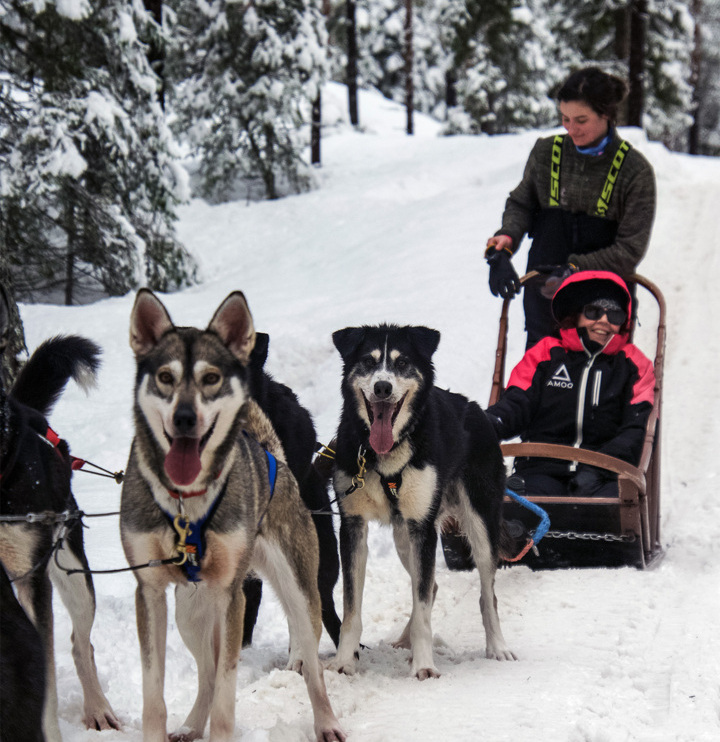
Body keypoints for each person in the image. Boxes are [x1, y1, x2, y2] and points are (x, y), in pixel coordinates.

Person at [485, 270, 655, 567]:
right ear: (577, 314)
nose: (603, 320)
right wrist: (486, 425)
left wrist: (598, 467)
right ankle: (509, 540)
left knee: (610, 505)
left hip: (603, 472)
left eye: (613, 314)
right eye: (594, 311)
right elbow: (516, 404)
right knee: (519, 502)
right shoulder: (545, 354)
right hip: (542, 466)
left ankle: (606, 550)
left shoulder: (633, 364)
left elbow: (635, 428)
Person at [485, 66, 656, 349]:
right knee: (541, 378)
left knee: (596, 384)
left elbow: (630, 249)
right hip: (545, 297)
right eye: (565, 119)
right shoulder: (546, 152)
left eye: (581, 120)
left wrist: (576, 268)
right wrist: (505, 241)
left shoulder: (634, 171)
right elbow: (521, 203)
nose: (571, 128)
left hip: (603, 307)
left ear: (606, 115)